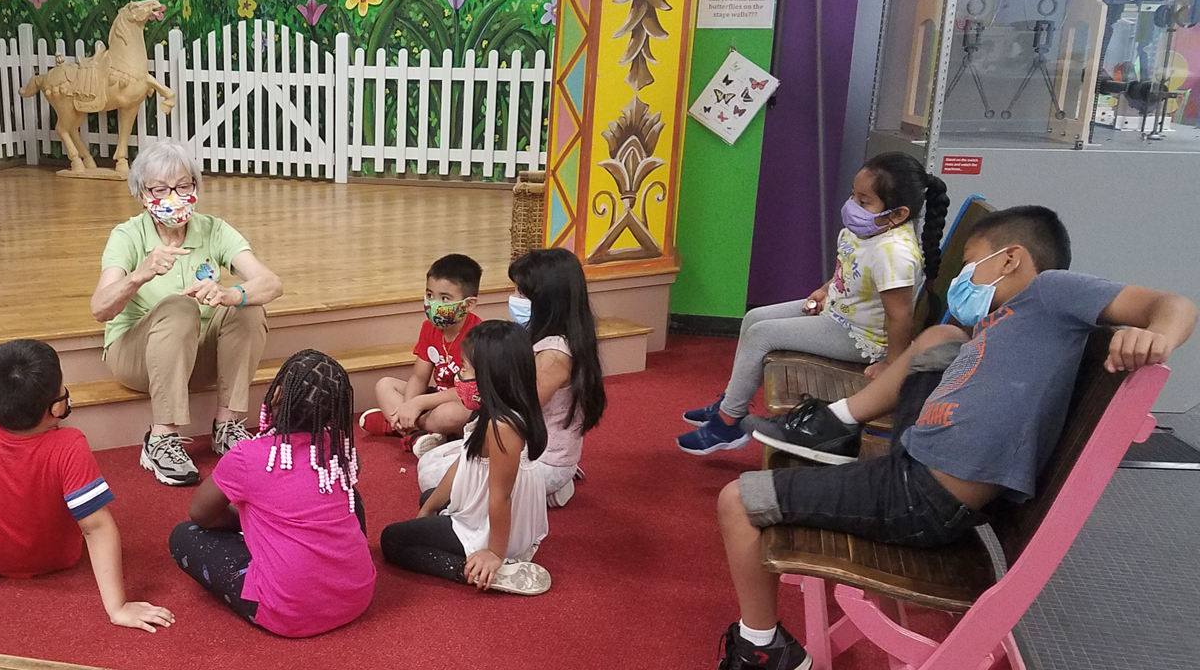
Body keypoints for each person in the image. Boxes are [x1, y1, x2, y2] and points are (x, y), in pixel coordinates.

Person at [710, 206, 1197, 670]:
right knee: (942, 338)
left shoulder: (1051, 291)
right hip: (918, 466)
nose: (965, 281)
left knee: (738, 501)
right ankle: (834, 425)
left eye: (970, 266)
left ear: (1010, 259)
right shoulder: (1004, 320)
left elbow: (1173, 304)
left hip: (921, 498)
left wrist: (1158, 335)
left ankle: (763, 649)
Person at [679, 152, 949, 456]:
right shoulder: (867, 228)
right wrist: (825, 290)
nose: (852, 206)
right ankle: (732, 400)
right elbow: (848, 271)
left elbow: (900, 316)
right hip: (838, 311)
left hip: (862, 338)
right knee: (754, 318)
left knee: (762, 335)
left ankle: (728, 422)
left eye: (864, 201)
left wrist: (891, 365)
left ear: (897, 215)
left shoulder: (894, 252)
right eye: (853, 195)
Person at [0, 340, 175, 632]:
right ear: (57, 408)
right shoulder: (69, 445)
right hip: (58, 559)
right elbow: (96, 527)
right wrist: (118, 607)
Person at [92, 140, 284, 487]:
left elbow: (271, 283)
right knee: (180, 307)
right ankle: (161, 438)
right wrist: (140, 274)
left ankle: (227, 427)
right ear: (141, 193)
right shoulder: (127, 236)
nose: (174, 197)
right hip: (137, 357)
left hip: (196, 355)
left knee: (248, 307)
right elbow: (100, 309)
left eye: (183, 186)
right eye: (161, 189)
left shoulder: (213, 229)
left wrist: (230, 293)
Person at [169, 350, 375, 637]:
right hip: (357, 597)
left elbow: (201, 515)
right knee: (348, 492)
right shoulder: (341, 448)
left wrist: (247, 520)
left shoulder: (247, 456)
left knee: (185, 536)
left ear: (277, 394)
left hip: (289, 613)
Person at [417, 248, 607, 508]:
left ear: (547, 300)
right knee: (430, 463)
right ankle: (537, 489)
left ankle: (546, 487)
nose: (514, 298)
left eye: (521, 293)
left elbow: (517, 410)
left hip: (541, 457)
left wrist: (474, 392)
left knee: (432, 476)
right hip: (520, 444)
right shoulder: (541, 335)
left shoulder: (555, 354)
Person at [380, 320, 553, 596]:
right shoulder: (495, 406)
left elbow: (501, 496)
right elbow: (465, 461)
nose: (458, 378)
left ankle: (477, 571)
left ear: (489, 377)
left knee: (392, 541)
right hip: (483, 503)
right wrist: (428, 510)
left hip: (494, 526)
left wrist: (494, 552)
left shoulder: (503, 426)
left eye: (464, 369)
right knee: (429, 498)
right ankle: (486, 555)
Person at [360, 254, 483, 452]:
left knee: (451, 414)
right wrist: (408, 406)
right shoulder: (429, 328)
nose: (434, 304)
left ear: (468, 304)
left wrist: (418, 404)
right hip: (435, 398)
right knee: (385, 385)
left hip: (463, 401)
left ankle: (397, 426)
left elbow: (468, 391)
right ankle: (416, 433)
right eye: (429, 295)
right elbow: (419, 376)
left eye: (444, 298)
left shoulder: (478, 335)